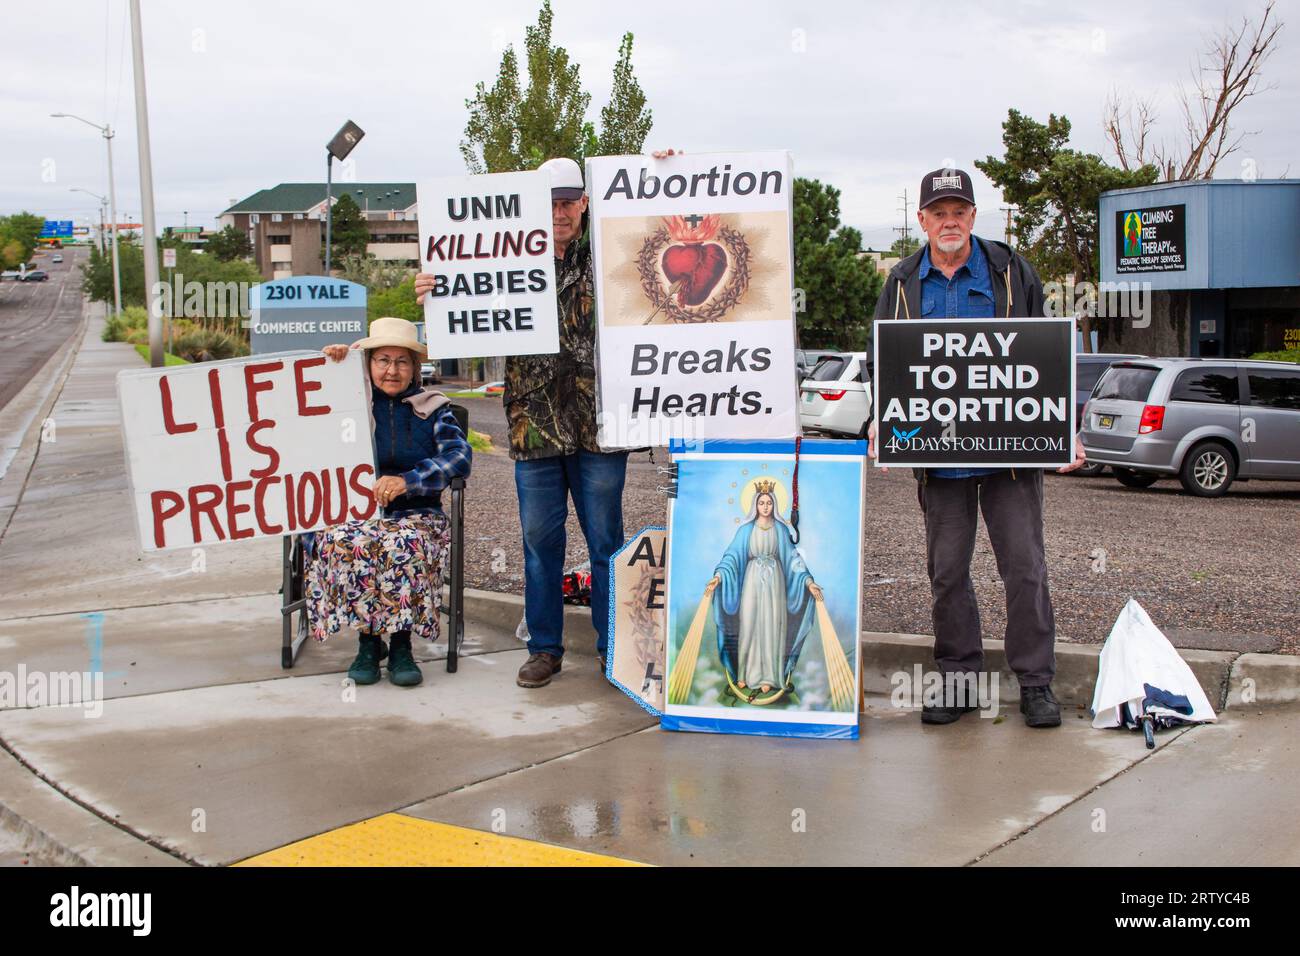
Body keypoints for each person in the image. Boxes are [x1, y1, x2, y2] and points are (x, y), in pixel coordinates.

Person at [869, 167, 1086, 728]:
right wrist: (881, 419)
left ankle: (1036, 683)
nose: (949, 221)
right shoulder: (900, 281)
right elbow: (886, 363)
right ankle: (959, 682)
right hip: (940, 462)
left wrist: (1065, 428)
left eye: (958, 211)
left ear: (972, 216)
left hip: (1010, 457)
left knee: (1025, 569)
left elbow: (1043, 355)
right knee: (947, 573)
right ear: (921, 220)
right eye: (938, 212)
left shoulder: (1010, 271)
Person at [416, 155, 631, 689]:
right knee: (540, 543)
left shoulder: (610, 256)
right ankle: (545, 649)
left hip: (601, 426)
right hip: (533, 427)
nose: (559, 213)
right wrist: (434, 295)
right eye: (550, 204)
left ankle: (615, 650)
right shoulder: (499, 260)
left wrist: (660, 168)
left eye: (568, 202)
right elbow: (465, 315)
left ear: (584, 203)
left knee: (607, 543)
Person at [310, 316, 472, 688]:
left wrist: (408, 481)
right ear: (368, 365)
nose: (392, 370)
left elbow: (458, 458)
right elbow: (306, 417)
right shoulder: (349, 404)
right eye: (382, 360)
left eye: (402, 361)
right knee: (347, 540)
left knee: (404, 543)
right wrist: (332, 365)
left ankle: (400, 645)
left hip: (417, 513)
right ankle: (369, 644)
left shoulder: (433, 408)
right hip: (358, 513)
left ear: (415, 368)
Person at [704, 481, 823, 705]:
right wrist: (718, 577)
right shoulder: (745, 530)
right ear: (755, 505)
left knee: (771, 626)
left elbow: (793, 560)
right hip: (751, 582)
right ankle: (745, 676)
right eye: (761, 502)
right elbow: (731, 557)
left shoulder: (780, 529)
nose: (765, 506)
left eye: (769, 503)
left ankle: (769, 676)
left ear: (774, 505)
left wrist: (808, 582)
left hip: (774, 584)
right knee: (749, 625)